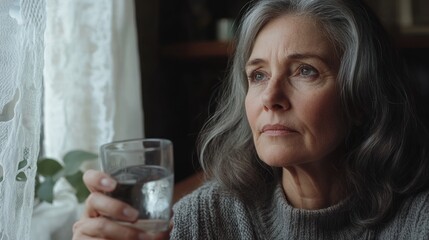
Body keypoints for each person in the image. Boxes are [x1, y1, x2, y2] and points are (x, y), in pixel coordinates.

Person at [73, 0, 429, 239]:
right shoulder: (205, 218)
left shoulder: (417, 220)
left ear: (361, 98)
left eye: (305, 71)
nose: (270, 98)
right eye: (258, 75)